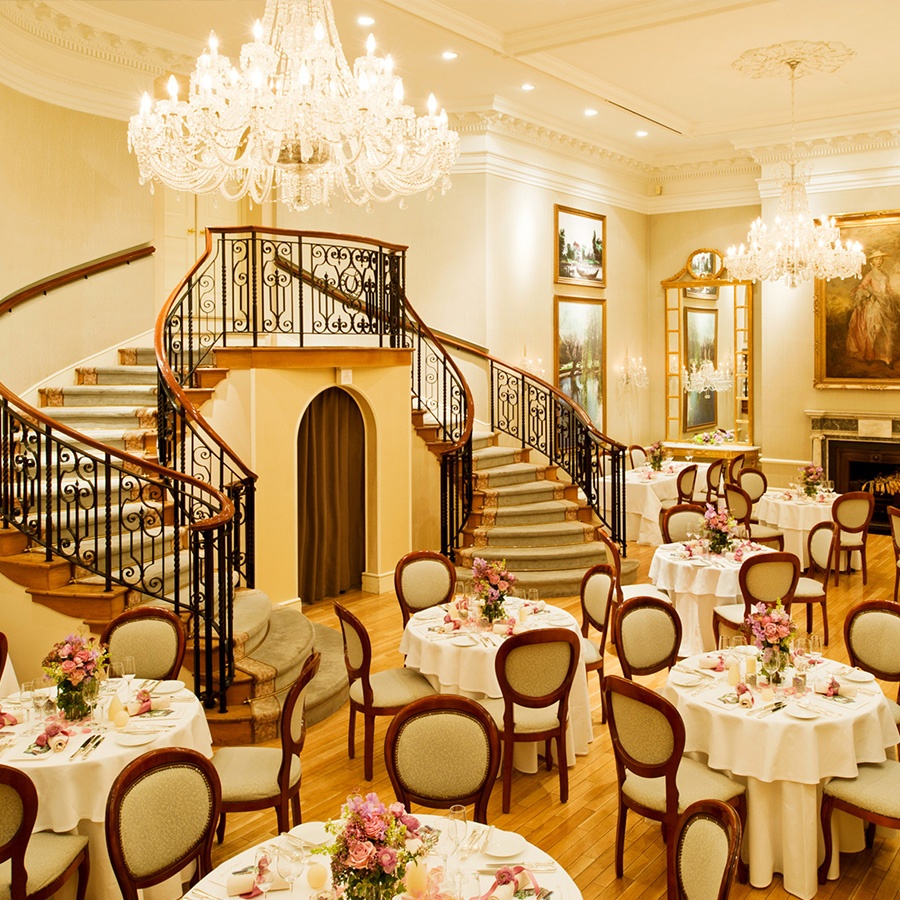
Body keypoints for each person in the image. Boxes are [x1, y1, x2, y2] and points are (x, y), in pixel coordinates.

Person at [846, 250, 899, 365]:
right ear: (872, 262)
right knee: (875, 328)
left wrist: (892, 297)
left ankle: (886, 356)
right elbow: (862, 287)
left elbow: (888, 289)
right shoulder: (870, 275)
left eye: (880, 259)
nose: (879, 261)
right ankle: (870, 354)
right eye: (876, 259)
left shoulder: (884, 275)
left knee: (888, 329)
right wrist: (869, 293)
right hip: (875, 304)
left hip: (886, 302)